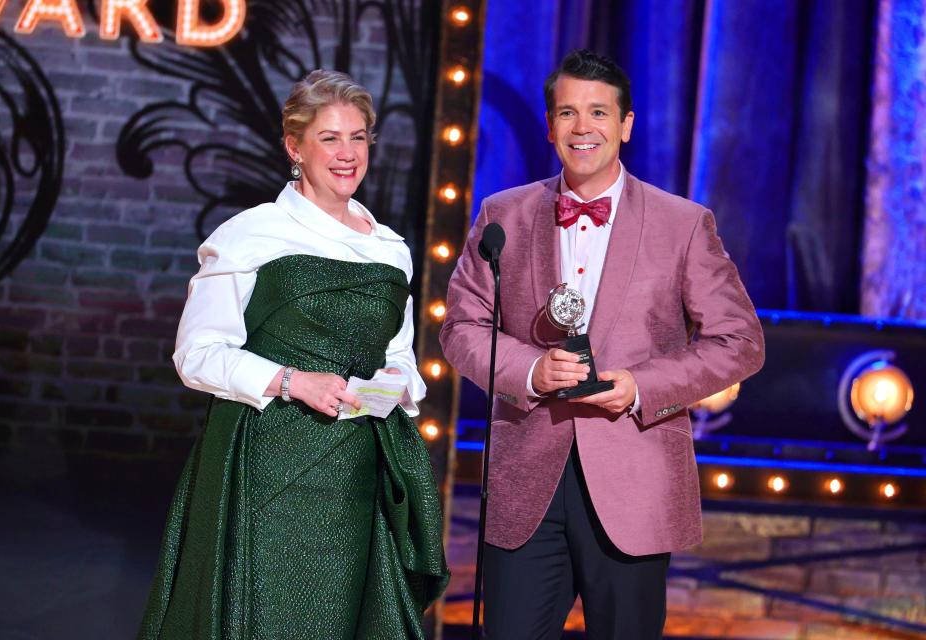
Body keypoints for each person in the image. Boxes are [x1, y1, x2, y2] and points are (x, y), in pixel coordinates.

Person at [440, 50, 765, 639]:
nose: (582, 127)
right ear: (550, 125)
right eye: (567, 112)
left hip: (633, 479)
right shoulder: (502, 215)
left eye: (598, 113)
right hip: (526, 481)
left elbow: (740, 341)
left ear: (626, 125)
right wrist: (531, 369)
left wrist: (643, 387)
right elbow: (461, 327)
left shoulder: (682, 224)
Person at [137, 69, 449, 640]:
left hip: (354, 470)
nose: (347, 153)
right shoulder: (251, 234)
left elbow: (402, 360)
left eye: (358, 137)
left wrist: (388, 386)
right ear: (294, 146)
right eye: (330, 138)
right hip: (266, 465)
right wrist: (291, 381)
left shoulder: (390, 249)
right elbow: (196, 354)